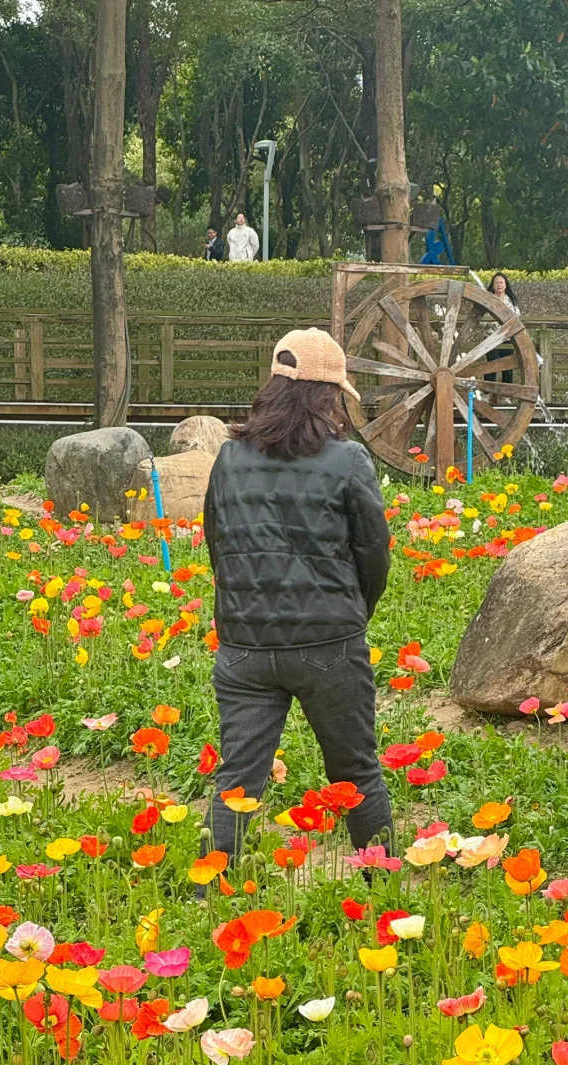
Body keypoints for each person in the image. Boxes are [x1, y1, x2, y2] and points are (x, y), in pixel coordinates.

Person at [201, 328, 393, 869]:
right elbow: (373, 555)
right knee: (356, 772)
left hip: (243, 648)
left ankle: (206, 894)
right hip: (329, 641)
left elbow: (219, 547)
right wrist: (351, 615)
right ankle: (383, 888)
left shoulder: (228, 459)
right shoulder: (349, 460)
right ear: (328, 396)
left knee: (237, 780)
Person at [485, 272, 518, 387]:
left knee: (507, 365)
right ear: (493, 285)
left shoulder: (511, 301)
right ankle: (487, 392)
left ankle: (506, 395)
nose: (499, 285)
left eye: (501, 282)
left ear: (505, 285)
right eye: (496, 283)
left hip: (507, 337)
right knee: (491, 363)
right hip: (491, 336)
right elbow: (482, 317)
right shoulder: (487, 299)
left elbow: (516, 317)